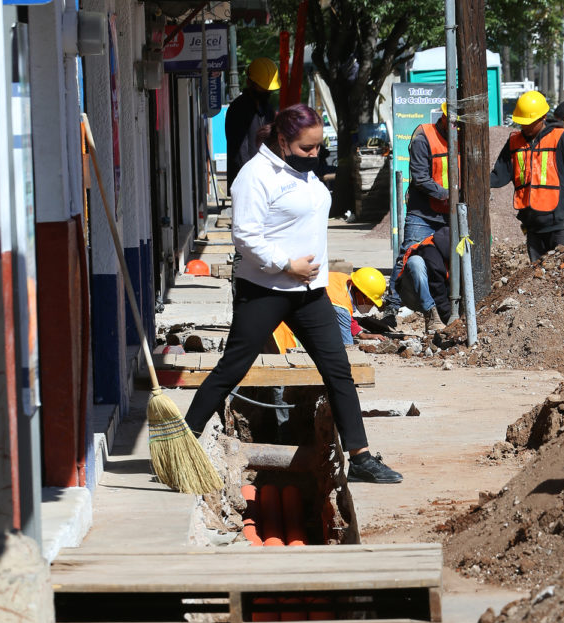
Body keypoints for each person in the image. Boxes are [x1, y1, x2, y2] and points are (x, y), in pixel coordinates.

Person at [185, 104, 403, 484]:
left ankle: (362, 457)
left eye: (319, 147)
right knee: (231, 370)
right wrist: (287, 264)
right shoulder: (255, 176)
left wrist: (304, 272)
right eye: (307, 148)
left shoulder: (303, 172)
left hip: (309, 292)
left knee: (338, 371)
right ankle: (182, 440)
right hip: (265, 290)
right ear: (283, 140)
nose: (315, 155)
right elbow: (246, 236)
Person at [490, 90, 564, 263]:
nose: (525, 127)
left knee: (561, 272)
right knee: (537, 275)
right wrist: (476, 182)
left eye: (529, 123)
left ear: (543, 117)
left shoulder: (560, 138)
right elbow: (500, 175)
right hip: (533, 223)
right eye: (522, 123)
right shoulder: (514, 142)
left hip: (560, 222)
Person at [386, 101, 460, 307]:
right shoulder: (424, 136)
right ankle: (392, 304)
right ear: (443, 117)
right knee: (409, 252)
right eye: (452, 122)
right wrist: (450, 195)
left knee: (455, 258)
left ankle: (448, 302)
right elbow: (420, 178)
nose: (455, 127)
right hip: (423, 214)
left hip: (450, 213)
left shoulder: (465, 138)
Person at [225, 57, 280, 193]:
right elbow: (239, 151)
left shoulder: (267, 109)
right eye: (263, 88)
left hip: (266, 180)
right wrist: (251, 179)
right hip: (247, 182)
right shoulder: (239, 108)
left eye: (269, 89)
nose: (268, 92)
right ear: (250, 83)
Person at [395, 226, 452, 333]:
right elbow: (437, 287)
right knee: (415, 262)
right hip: (412, 293)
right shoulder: (431, 251)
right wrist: (449, 319)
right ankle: (432, 316)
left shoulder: (457, 249)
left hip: (441, 294)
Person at [327, 267, 387, 345]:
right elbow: (347, 344)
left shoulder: (345, 280)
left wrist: (362, 334)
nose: (371, 305)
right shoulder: (341, 305)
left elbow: (347, 318)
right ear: (359, 294)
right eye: (370, 301)